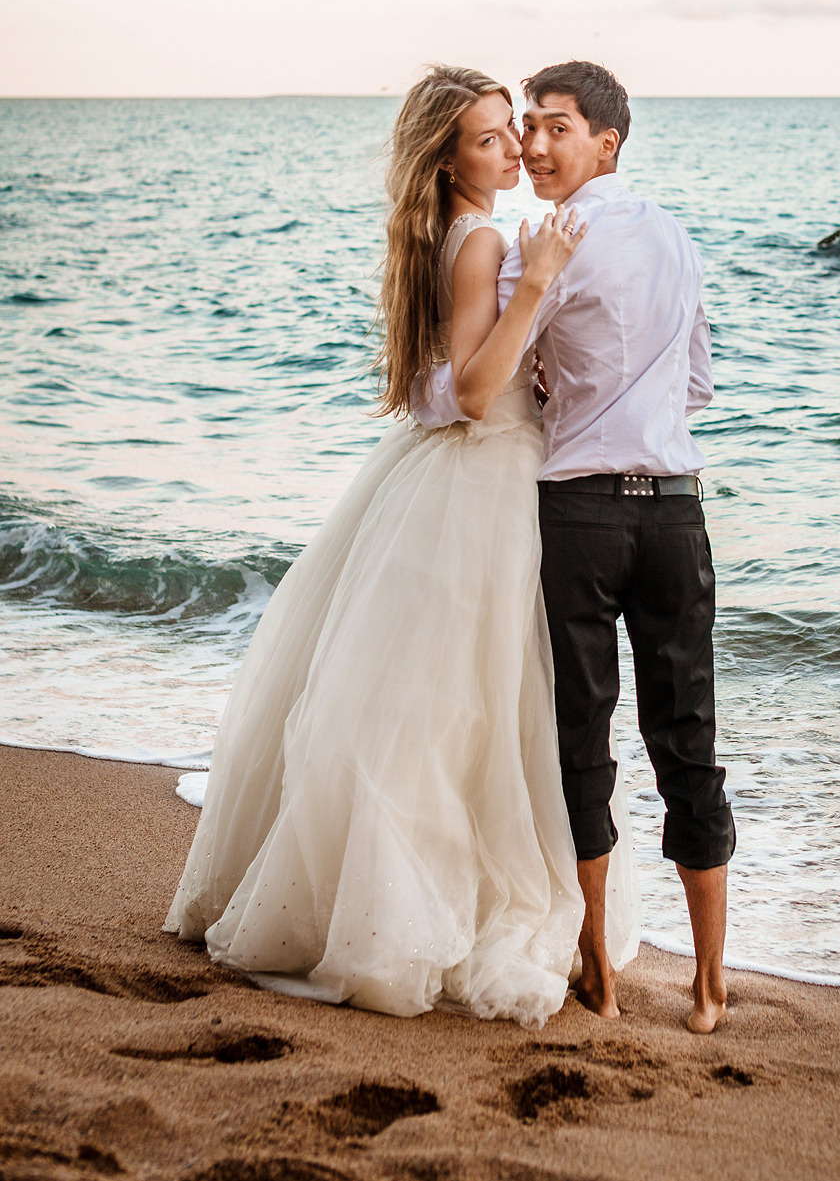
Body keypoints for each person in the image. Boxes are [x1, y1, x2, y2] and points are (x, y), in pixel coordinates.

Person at [164, 65, 639, 1027]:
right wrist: (539, 282)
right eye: (490, 138)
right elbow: (469, 394)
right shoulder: (486, 241)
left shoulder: (438, 237)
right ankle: (422, 914)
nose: (516, 149)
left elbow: (433, 386)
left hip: (430, 474)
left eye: (516, 130)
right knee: (472, 709)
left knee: (429, 706)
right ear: (449, 158)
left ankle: (381, 895)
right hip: (484, 474)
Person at [414, 60, 736, 1033]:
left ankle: (598, 960)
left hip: (583, 515)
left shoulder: (543, 241)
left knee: (581, 738)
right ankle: (710, 982)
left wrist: (559, 387)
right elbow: (697, 384)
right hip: (676, 513)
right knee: (688, 738)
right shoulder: (677, 238)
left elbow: (491, 377)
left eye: (558, 128)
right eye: (533, 128)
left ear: (607, 140)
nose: (539, 146)